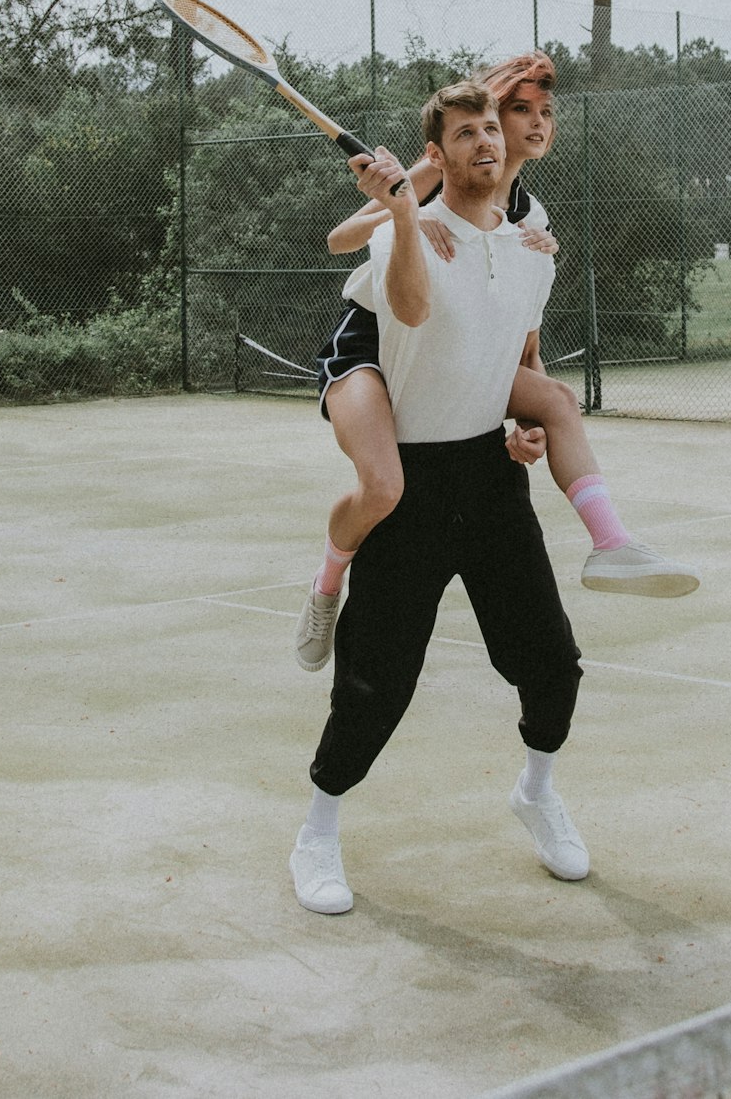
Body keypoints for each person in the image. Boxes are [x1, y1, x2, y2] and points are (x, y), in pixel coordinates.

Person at [295, 53, 699, 673]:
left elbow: (521, 336)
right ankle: (326, 588)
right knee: (382, 486)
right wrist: (406, 212)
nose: (534, 125)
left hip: (458, 352)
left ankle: (612, 543)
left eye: (544, 114)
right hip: (372, 347)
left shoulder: (529, 217)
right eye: (517, 111)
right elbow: (340, 240)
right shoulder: (434, 182)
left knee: (558, 400)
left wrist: (523, 416)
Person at [290, 81, 588, 915]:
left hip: (491, 481)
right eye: (465, 133)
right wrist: (398, 214)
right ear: (440, 156)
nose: (486, 141)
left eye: (493, 128)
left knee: (554, 665)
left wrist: (524, 431)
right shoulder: (404, 236)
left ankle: (536, 791)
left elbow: (515, 366)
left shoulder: (534, 247)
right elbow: (414, 310)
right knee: (375, 685)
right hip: (415, 489)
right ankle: (317, 831)